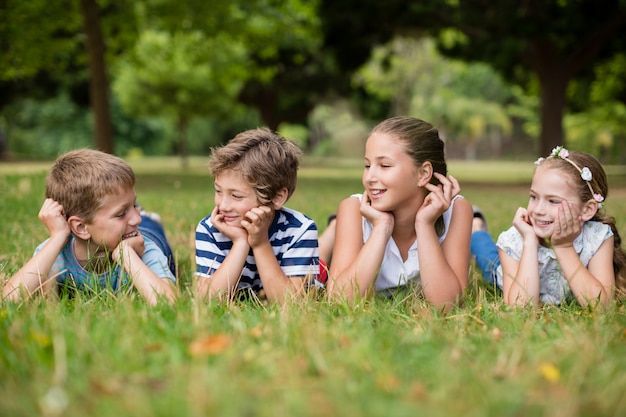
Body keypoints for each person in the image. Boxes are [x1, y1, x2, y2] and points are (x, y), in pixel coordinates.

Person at [322, 116, 473, 309]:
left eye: (384, 165)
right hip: (353, 223)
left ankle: (478, 226)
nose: (369, 177)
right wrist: (381, 228)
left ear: (423, 174)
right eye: (367, 165)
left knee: (477, 242)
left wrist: (425, 225)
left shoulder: (457, 210)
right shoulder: (353, 208)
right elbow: (339, 301)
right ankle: (332, 231)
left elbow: (447, 305)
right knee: (323, 248)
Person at [2, 149, 178, 305]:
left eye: (133, 207)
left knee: (148, 225)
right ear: (80, 228)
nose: (136, 218)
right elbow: (10, 300)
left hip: (146, 235)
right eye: (121, 213)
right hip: (120, 233)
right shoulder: (55, 254)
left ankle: (150, 218)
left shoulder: (144, 247)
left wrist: (128, 256)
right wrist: (57, 237)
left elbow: (169, 303)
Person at [471, 146, 626, 307]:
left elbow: (602, 306)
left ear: (587, 209)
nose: (538, 210)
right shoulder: (515, 240)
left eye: (553, 201)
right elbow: (519, 308)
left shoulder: (597, 238)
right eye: (534, 197)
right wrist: (530, 242)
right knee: (488, 261)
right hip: (510, 273)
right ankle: (476, 228)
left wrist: (564, 247)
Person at [195, 128, 322, 303]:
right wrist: (240, 243)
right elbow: (207, 301)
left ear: (277, 197)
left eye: (236, 196)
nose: (223, 205)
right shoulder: (211, 229)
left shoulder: (299, 230)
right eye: (218, 191)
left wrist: (260, 242)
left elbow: (291, 305)